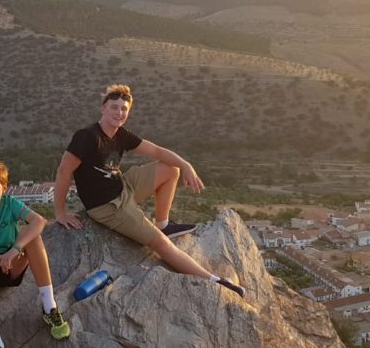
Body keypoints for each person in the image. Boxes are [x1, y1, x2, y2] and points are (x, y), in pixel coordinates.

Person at [53, 84, 245, 297]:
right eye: (114, 107)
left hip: (123, 186)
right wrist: (60, 212)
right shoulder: (87, 136)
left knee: (171, 169)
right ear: (103, 109)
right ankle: (215, 281)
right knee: (161, 244)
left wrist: (186, 165)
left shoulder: (121, 135)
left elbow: (156, 150)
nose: (119, 112)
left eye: (124, 109)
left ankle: (163, 224)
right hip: (108, 206)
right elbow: (64, 171)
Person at [0, 160, 70, 348]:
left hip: (12, 266)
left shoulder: (10, 204)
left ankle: (50, 307)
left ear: (4, 187)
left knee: (33, 237)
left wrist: (14, 249)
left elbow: (39, 221)